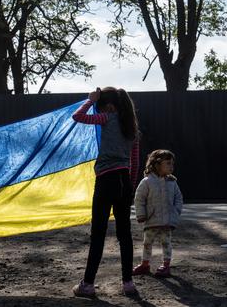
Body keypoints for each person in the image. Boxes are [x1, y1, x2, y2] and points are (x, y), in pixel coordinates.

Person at [71, 87, 140, 298]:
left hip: (106, 180)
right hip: (124, 181)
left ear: (108, 106)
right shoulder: (133, 129)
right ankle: (128, 283)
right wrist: (130, 186)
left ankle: (88, 284)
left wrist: (90, 100)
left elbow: (78, 116)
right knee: (124, 235)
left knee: (98, 234)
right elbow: (135, 163)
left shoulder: (107, 118)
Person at [132, 149, 183, 278]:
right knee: (147, 243)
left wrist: (176, 211)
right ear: (157, 164)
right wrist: (141, 214)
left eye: (172, 164)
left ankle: (166, 266)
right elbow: (139, 199)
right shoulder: (147, 182)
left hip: (167, 220)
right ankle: (145, 264)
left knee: (166, 243)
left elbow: (179, 198)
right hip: (151, 220)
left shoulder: (172, 182)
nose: (171, 167)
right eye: (168, 163)